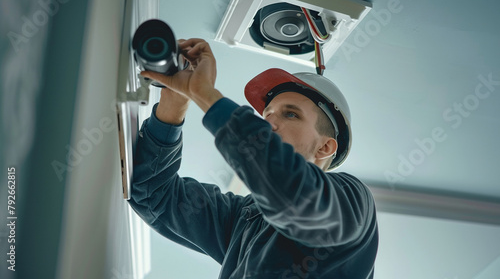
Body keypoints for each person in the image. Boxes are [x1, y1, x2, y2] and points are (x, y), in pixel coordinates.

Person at [128, 38, 378, 278]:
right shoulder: (245, 219)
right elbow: (152, 195)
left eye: (290, 115)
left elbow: (294, 194)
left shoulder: (352, 200)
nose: (269, 124)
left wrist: (205, 94)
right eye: (267, 115)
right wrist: (176, 100)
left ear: (325, 147)